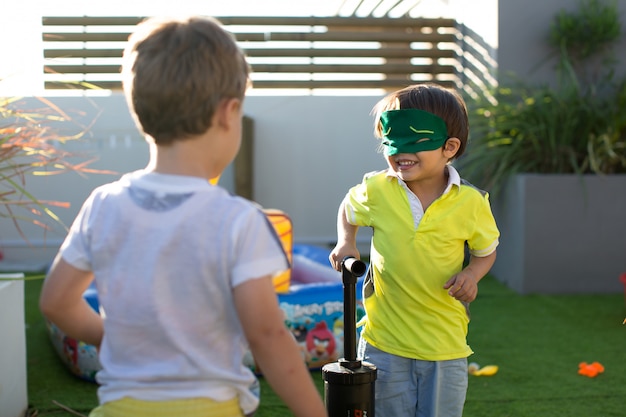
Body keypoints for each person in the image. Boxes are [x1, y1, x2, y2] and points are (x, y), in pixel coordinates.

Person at [39, 15, 327, 417]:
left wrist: (106, 335)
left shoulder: (103, 204)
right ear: (229, 113)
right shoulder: (239, 220)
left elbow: (56, 303)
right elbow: (266, 334)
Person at [329, 83, 500, 417]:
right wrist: (346, 241)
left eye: (415, 140)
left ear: (449, 147)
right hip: (384, 343)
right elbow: (348, 209)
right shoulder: (377, 189)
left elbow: (486, 250)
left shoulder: (472, 202)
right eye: (391, 140)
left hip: (445, 345)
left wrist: (472, 273)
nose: (398, 151)